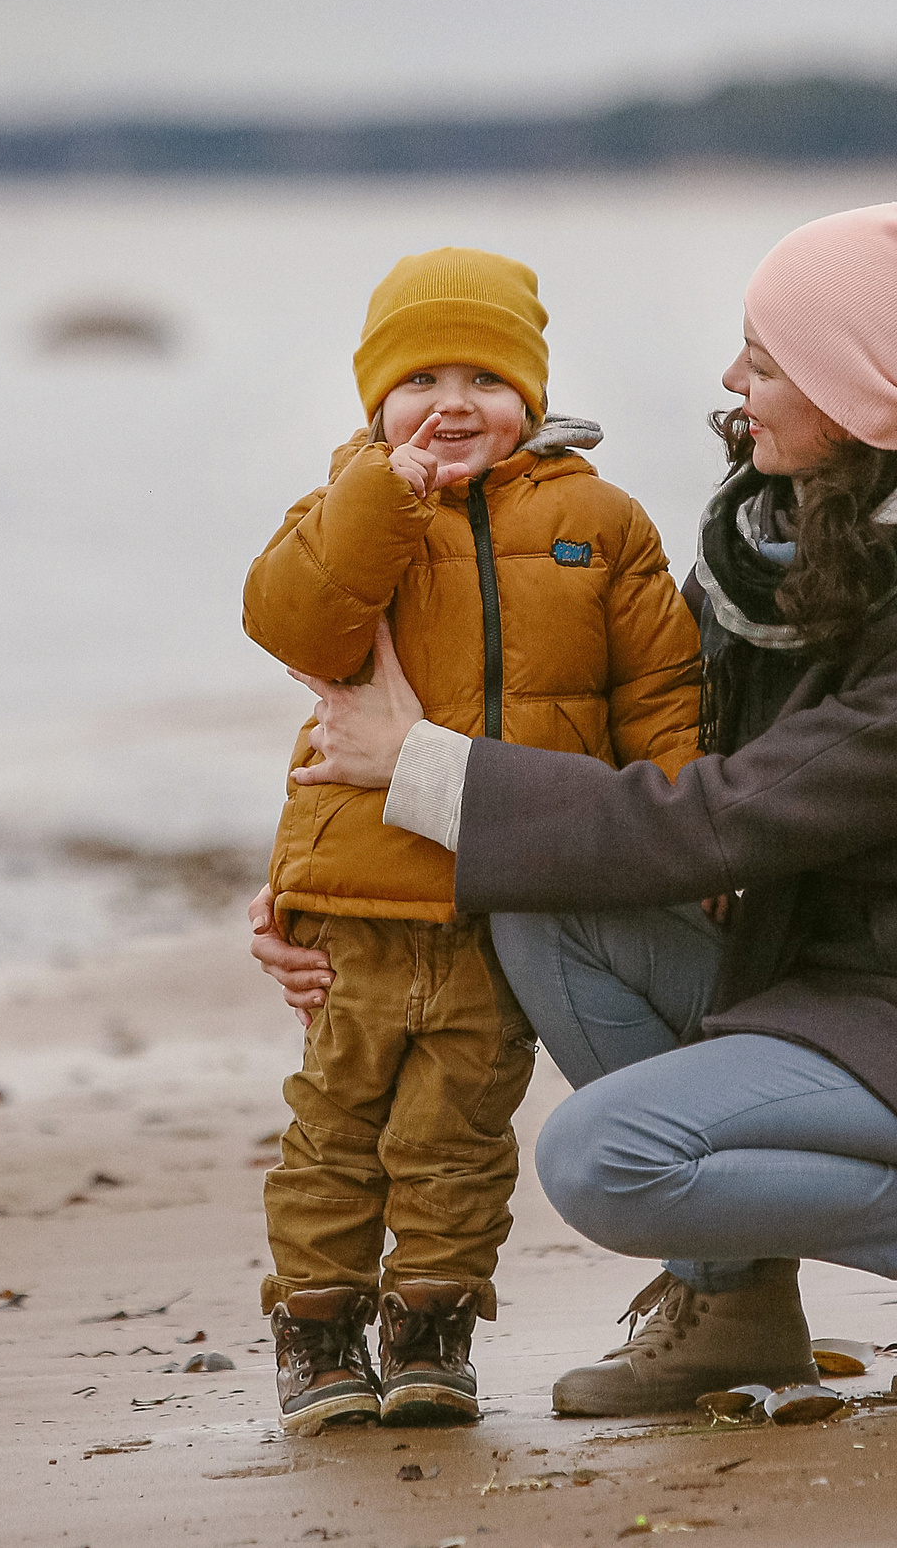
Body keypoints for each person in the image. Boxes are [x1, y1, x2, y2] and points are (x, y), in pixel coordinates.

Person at [255, 198, 897, 1416]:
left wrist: (422, 764)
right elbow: (638, 745)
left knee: (600, 1159)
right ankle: (734, 1303)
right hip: (837, 980)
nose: (730, 379)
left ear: (856, 399)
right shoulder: (782, 541)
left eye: (765, 362)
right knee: (540, 904)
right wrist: (321, 893)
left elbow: (714, 817)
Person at [241, 245, 701, 1434]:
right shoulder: (350, 509)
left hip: (510, 891)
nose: (453, 403)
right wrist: (383, 493)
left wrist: (692, 835)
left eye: (486, 378)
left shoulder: (600, 523)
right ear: (374, 403)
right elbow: (287, 617)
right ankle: (317, 1327)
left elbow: (660, 699)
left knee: (455, 1134)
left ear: (533, 400)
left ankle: (434, 1325)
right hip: (360, 900)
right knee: (336, 1130)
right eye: (420, 379)